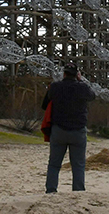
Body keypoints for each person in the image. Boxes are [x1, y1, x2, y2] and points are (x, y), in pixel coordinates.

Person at [41, 63, 96, 193]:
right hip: (78, 130)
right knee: (78, 165)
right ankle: (78, 191)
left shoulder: (55, 87)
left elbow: (44, 105)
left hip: (58, 130)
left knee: (54, 164)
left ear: (64, 74)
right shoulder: (82, 87)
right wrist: (81, 80)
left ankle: (51, 190)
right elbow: (92, 96)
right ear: (76, 75)